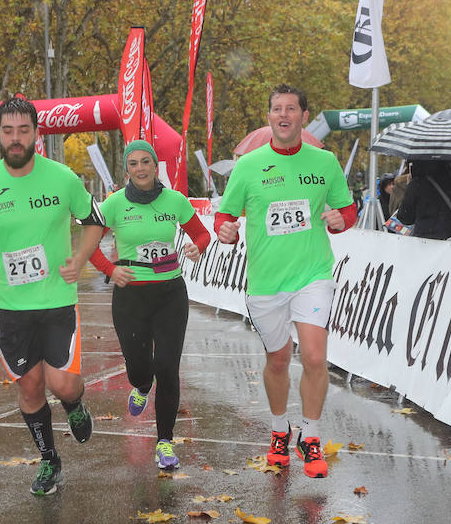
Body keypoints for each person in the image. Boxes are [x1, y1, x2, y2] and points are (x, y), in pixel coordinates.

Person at [0, 98, 105, 496]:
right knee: (30, 387)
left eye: (24, 130)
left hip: (57, 299)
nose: (16, 138)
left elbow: (95, 221)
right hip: (9, 307)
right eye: (8, 131)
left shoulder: (62, 178)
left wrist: (80, 257)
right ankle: (49, 461)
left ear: (37, 134)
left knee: (63, 385)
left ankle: (75, 405)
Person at [214, 84, 357, 478]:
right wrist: (226, 231)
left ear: (302, 116)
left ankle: (310, 437)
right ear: (269, 117)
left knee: (313, 356)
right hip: (265, 281)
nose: (283, 115)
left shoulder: (324, 162)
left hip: (313, 274)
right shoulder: (248, 166)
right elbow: (225, 217)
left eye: (291, 108)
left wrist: (341, 220)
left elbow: (348, 210)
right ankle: (280, 431)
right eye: (276, 109)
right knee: (277, 360)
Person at [88, 139, 211, 471]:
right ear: (126, 169)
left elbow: (201, 234)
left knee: (168, 368)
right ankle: (141, 386)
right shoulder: (113, 204)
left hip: (170, 294)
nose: (140, 168)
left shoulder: (175, 201)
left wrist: (197, 247)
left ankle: (165, 442)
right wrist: (111, 270)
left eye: (146, 162)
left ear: (155, 166)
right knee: (140, 369)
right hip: (131, 298)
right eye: (134, 163)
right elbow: (89, 245)